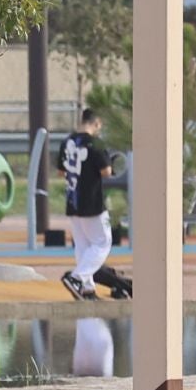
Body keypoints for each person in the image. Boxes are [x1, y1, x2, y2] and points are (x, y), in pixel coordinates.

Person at [58, 108, 126, 300]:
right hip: (92, 202)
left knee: (82, 245)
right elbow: (106, 171)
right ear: (96, 123)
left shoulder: (68, 142)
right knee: (103, 242)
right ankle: (77, 278)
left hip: (73, 201)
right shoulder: (95, 143)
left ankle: (87, 288)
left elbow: (61, 172)